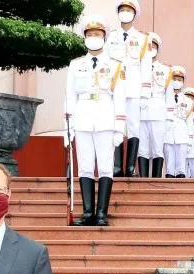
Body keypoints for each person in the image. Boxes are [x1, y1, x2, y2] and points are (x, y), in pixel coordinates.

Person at [64, 15, 126, 227]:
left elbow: (120, 98)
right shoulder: (75, 65)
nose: (93, 38)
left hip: (105, 118)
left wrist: (119, 128)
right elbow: (70, 96)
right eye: (89, 35)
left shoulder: (115, 65)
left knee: (106, 167)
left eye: (97, 35)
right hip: (82, 118)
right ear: (84, 38)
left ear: (104, 38)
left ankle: (102, 213)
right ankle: (88, 213)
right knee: (85, 167)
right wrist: (68, 127)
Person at [106, 0, 151, 177]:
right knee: (115, 124)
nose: (125, 12)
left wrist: (145, 94)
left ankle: (131, 167)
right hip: (115, 86)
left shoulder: (142, 39)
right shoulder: (110, 37)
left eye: (128, 10)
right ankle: (117, 166)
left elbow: (146, 66)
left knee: (133, 127)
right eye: (122, 10)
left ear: (134, 14)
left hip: (134, 86)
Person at [138, 31, 169, 178]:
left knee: (158, 147)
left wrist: (169, 118)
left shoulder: (165, 70)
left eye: (154, 46)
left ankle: (156, 180)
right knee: (142, 148)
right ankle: (143, 180)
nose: (151, 49)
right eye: (148, 47)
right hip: (141, 111)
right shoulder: (137, 68)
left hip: (158, 111)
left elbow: (168, 95)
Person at [163, 67, 190, 178]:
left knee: (181, 161)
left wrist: (190, 138)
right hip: (168, 130)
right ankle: (169, 173)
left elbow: (189, 121)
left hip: (181, 132)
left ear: (183, 82)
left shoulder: (188, 100)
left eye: (179, 79)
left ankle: (180, 173)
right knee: (169, 158)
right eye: (174, 79)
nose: (177, 81)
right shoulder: (164, 97)